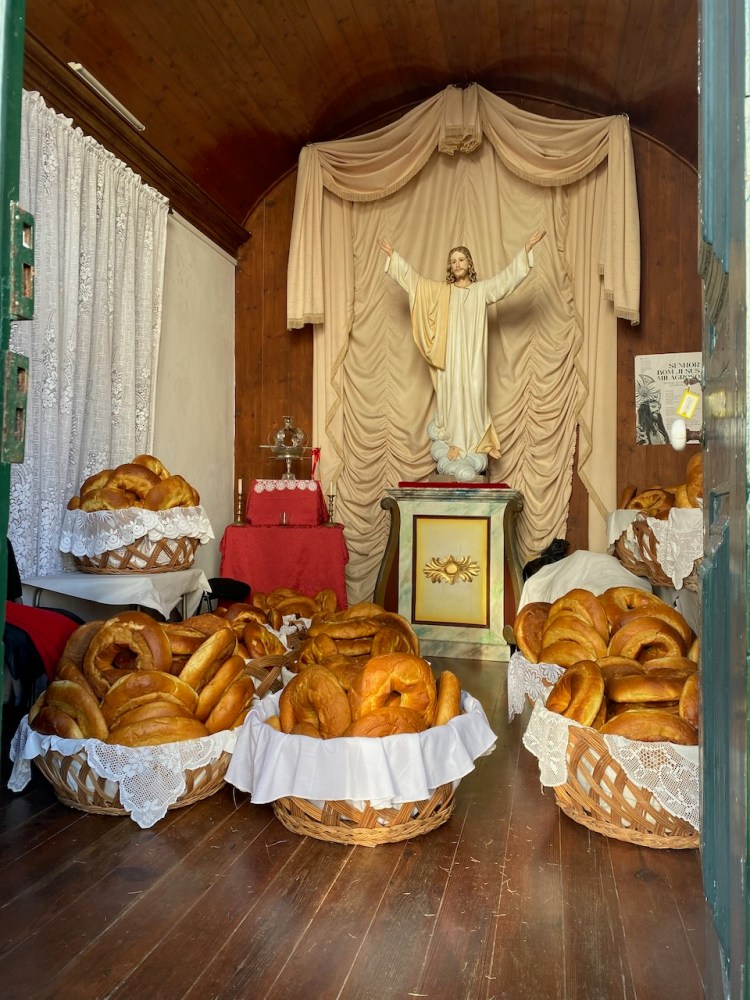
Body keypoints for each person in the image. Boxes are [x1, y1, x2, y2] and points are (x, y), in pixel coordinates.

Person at [378, 230, 546, 481]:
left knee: (474, 397)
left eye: (461, 260)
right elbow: (416, 283)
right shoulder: (442, 293)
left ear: (469, 264)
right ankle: (454, 445)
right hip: (449, 362)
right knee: (451, 399)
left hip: (474, 363)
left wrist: (525, 251)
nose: (457, 265)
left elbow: (506, 281)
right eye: (453, 261)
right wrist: (395, 258)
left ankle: (472, 447)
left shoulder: (481, 291)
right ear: (451, 267)